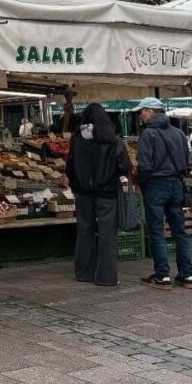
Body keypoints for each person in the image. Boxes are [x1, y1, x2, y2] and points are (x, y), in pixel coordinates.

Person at [66, 103, 131, 286]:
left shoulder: (77, 139)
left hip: (83, 193)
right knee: (107, 234)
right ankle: (106, 277)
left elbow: (69, 167)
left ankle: (84, 273)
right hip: (107, 193)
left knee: (85, 230)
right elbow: (125, 166)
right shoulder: (113, 140)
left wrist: (76, 183)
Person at [133, 97, 192, 290]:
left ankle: (163, 276)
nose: (140, 115)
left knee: (157, 232)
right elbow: (187, 162)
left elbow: (144, 165)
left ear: (151, 112)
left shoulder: (148, 134)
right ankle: (187, 275)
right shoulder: (178, 133)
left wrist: (140, 181)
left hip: (155, 186)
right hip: (176, 184)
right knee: (180, 232)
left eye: (142, 111)